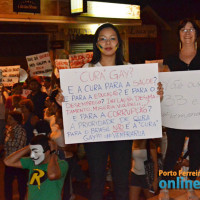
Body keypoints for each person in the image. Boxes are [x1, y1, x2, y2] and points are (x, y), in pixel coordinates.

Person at [82, 23, 164, 200]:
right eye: (103, 39)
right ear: (97, 44)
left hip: (122, 135)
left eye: (112, 38)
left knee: (121, 183)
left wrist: (154, 95)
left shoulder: (130, 69)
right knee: (96, 182)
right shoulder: (86, 70)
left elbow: (140, 101)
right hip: (95, 135)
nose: (108, 42)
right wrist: (63, 101)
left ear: (119, 43)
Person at [162, 18, 200, 199]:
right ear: (178, 34)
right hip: (176, 115)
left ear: (196, 34)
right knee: (173, 150)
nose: (187, 33)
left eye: (191, 29)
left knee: (197, 151)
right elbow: (163, 84)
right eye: (183, 29)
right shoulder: (169, 59)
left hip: (198, 116)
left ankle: (192, 187)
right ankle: (165, 188)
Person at [4, 135, 68, 200]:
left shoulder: (61, 164)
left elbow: (52, 175)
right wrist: (29, 147)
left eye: (36, 152)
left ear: (47, 152)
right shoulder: (32, 162)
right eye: (32, 151)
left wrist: (54, 152)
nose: (32, 156)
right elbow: (8, 161)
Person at [3, 111, 27, 200]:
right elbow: (6, 145)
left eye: (10, 119)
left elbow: (19, 147)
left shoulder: (21, 131)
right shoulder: (9, 129)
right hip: (9, 160)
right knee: (7, 183)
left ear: (16, 120)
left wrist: (11, 138)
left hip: (18, 161)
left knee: (21, 184)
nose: (8, 120)